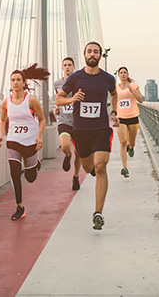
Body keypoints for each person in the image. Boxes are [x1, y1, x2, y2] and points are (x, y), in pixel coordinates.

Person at [56, 42, 118, 230]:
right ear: (84, 55)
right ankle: (89, 167)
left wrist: (114, 112)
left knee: (100, 167)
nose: (93, 54)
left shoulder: (108, 78)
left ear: (100, 56)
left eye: (96, 52)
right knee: (88, 166)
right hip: (81, 131)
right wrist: (72, 99)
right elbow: (59, 98)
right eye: (89, 51)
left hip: (100, 128)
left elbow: (114, 94)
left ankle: (98, 213)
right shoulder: (75, 78)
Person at [0, 64, 50, 220]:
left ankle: (36, 164)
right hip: (13, 140)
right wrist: (1, 135)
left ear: (24, 83)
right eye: (13, 80)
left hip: (30, 141)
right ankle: (19, 207)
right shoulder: (6, 102)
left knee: (30, 177)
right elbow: (1, 119)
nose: (15, 82)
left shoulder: (31, 100)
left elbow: (42, 119)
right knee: (14, 173)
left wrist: (39, 136)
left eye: (18, 80)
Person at [53, 57, 82, 190]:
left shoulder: (79, 82)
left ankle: (76, 176)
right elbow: (58, 99)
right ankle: (67, 155)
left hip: (78, 120)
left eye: (70, 65)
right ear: (62, 68)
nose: (67, 67)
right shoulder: (57, 83)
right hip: (63, 119)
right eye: (65, 65)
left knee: (78, 151)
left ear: (74, 67)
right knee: (65, 146)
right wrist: (56, 107)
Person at [115, 66, 143, 178]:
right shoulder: (115, 88)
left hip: (133, 117)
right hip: (120, 117)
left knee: (131, 142)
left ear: (127, 74)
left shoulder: (134, 86)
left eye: (124, 72)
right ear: (118, 75)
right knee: (122, 142)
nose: (122, 74)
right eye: (120, 73)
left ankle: (131, 147)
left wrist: (131, 91)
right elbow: (113, 101)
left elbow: (140, 100)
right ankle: (125, 168)